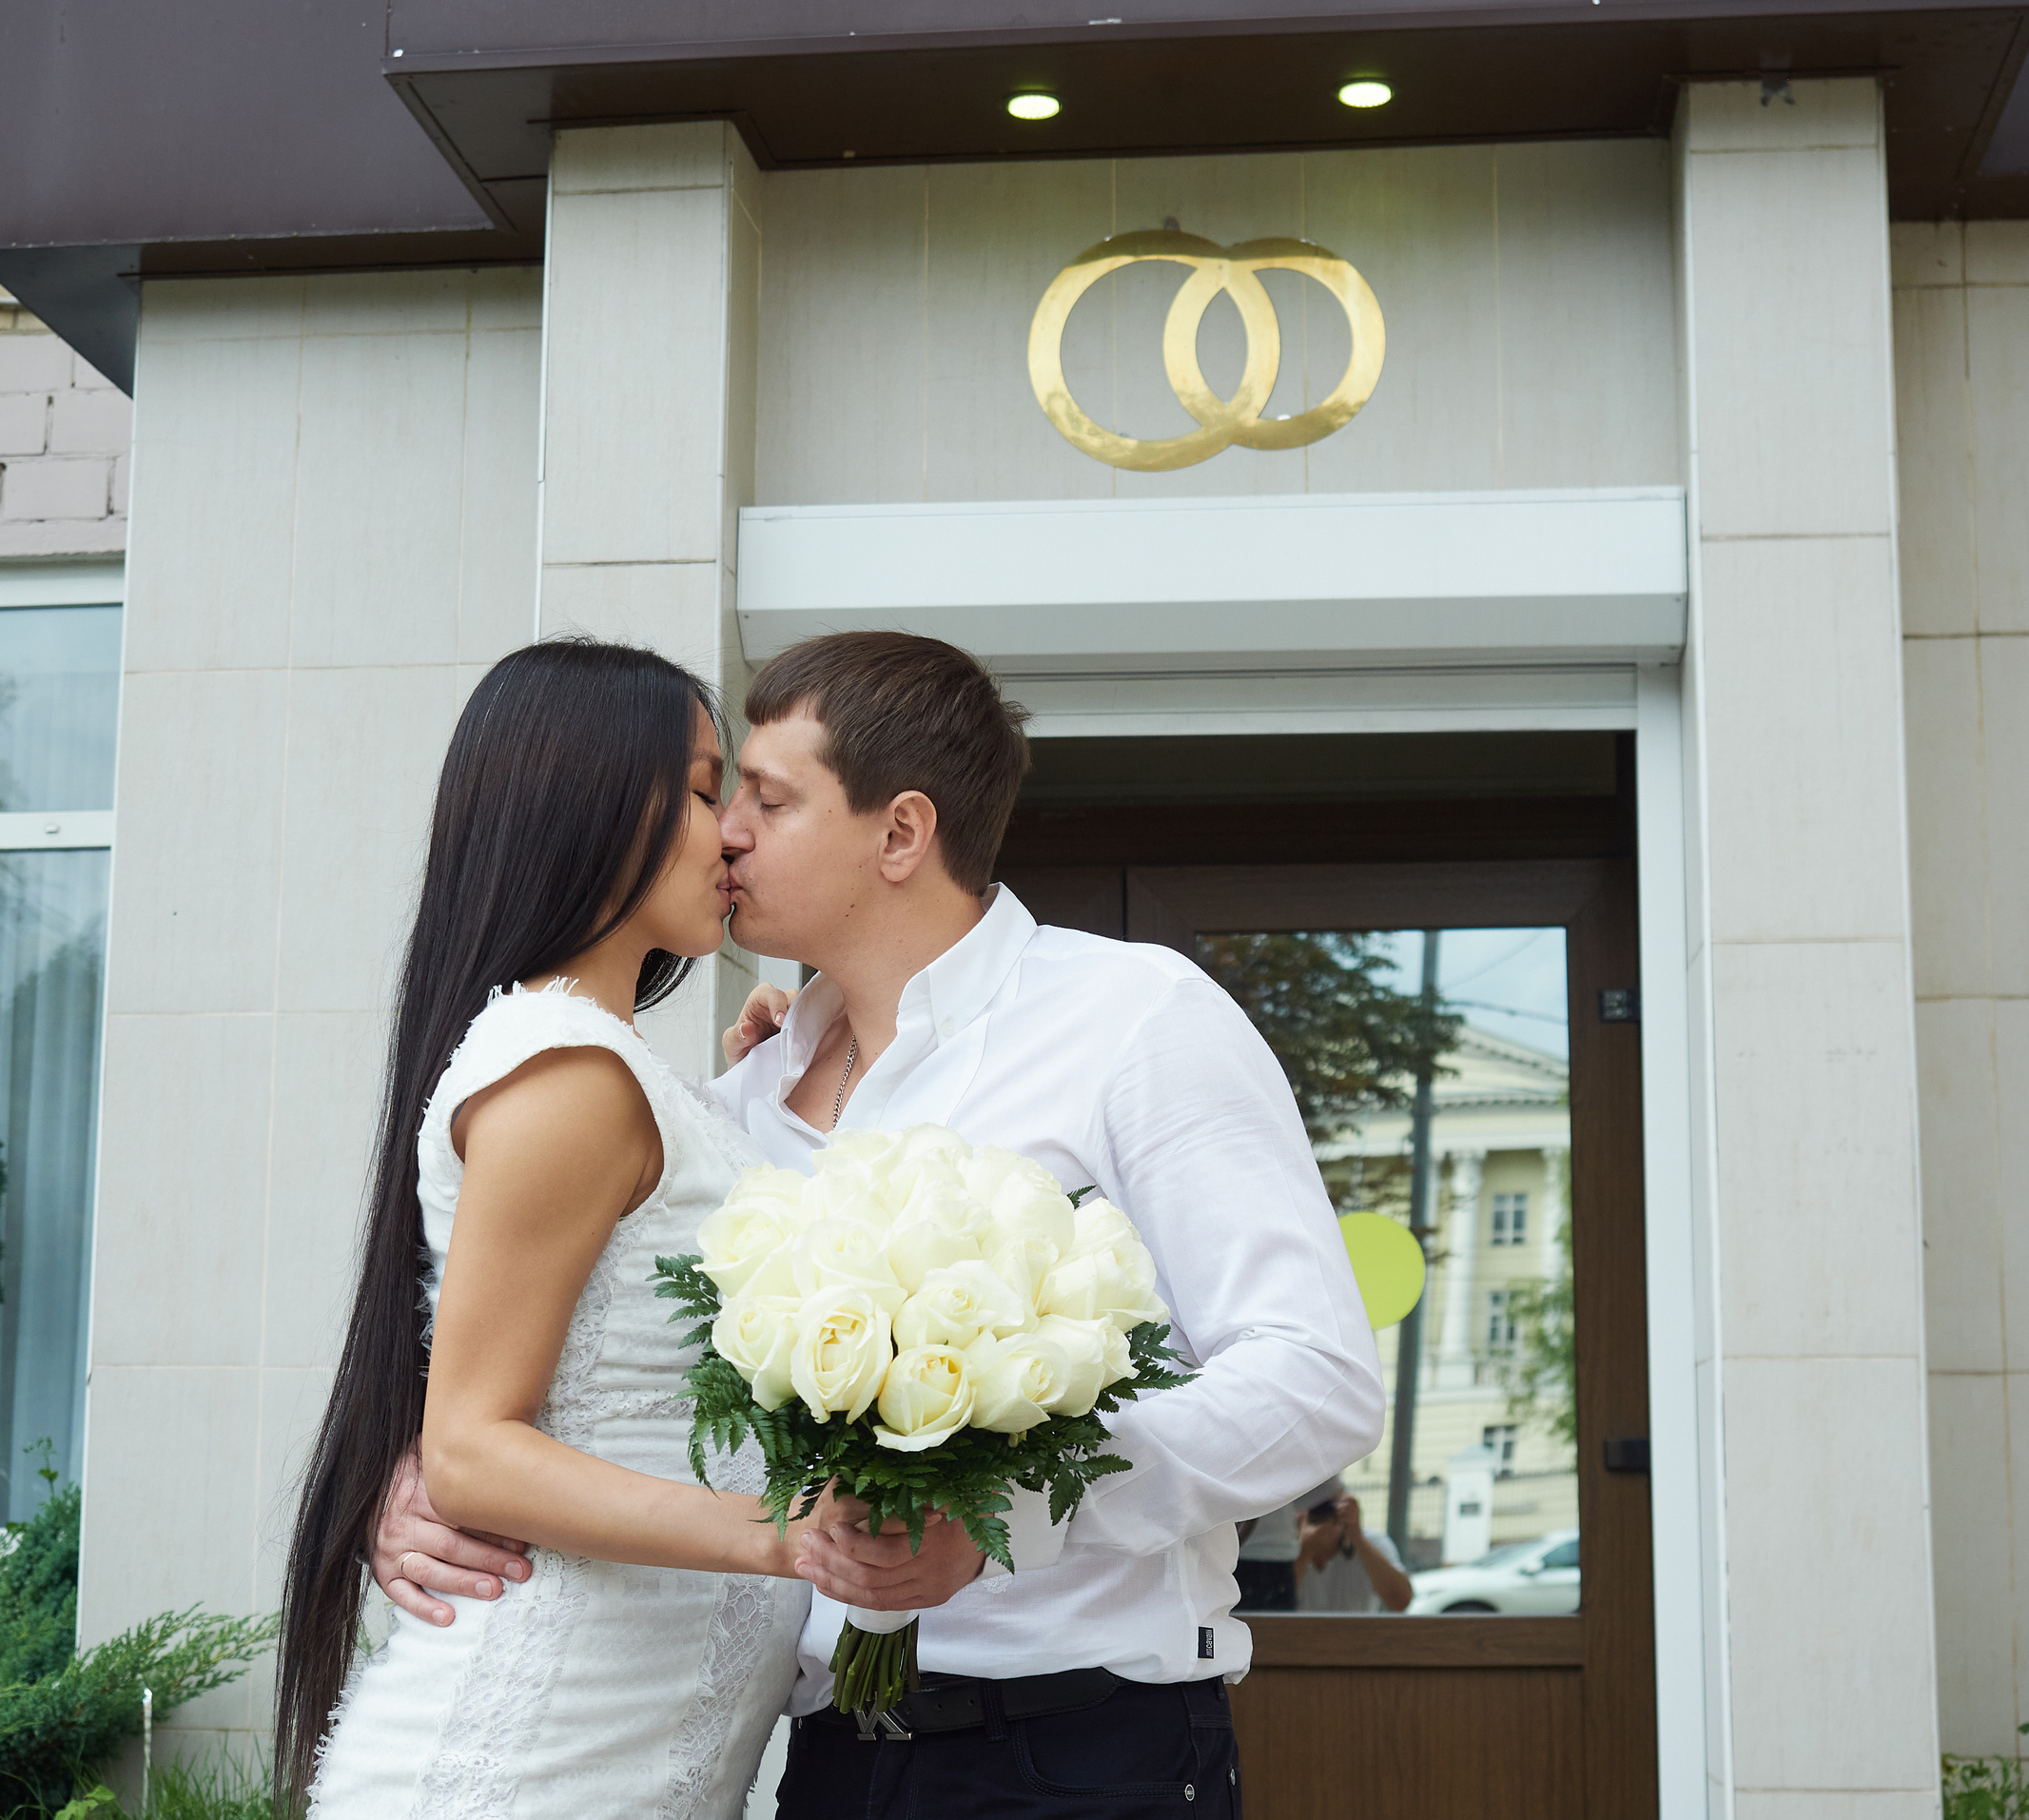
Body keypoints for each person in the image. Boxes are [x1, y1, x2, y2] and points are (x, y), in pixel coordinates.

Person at [373, 630, 1386, 1819]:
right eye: (722, 795)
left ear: (901, 833)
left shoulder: (1133, 1018)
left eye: (766, 799)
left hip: (1077, 1745)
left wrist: (1009, 1516)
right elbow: (595, 1360)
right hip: (824, 1758)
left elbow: (1314, 1381)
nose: (728, 832)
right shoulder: (733, 1106)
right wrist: (424, 1485)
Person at [274, 640, 973, 1820]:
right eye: (704, 791)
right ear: (588, 806)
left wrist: (779, 1074)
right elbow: (471, 1451)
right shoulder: (570, 1076)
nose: (732, 833)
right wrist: (783, 1535)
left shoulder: (624, 1076)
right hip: (538, 1763)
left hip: (624, 1757)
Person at [1291, 1482, 1414, 1615]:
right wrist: (1303, 1552)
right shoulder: (1286, 1549)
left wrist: (1357, 1538)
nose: (1320, 1514)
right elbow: (1278, 1603)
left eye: (1326, 1507)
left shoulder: (1373, 1543)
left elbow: (1401, 1602)